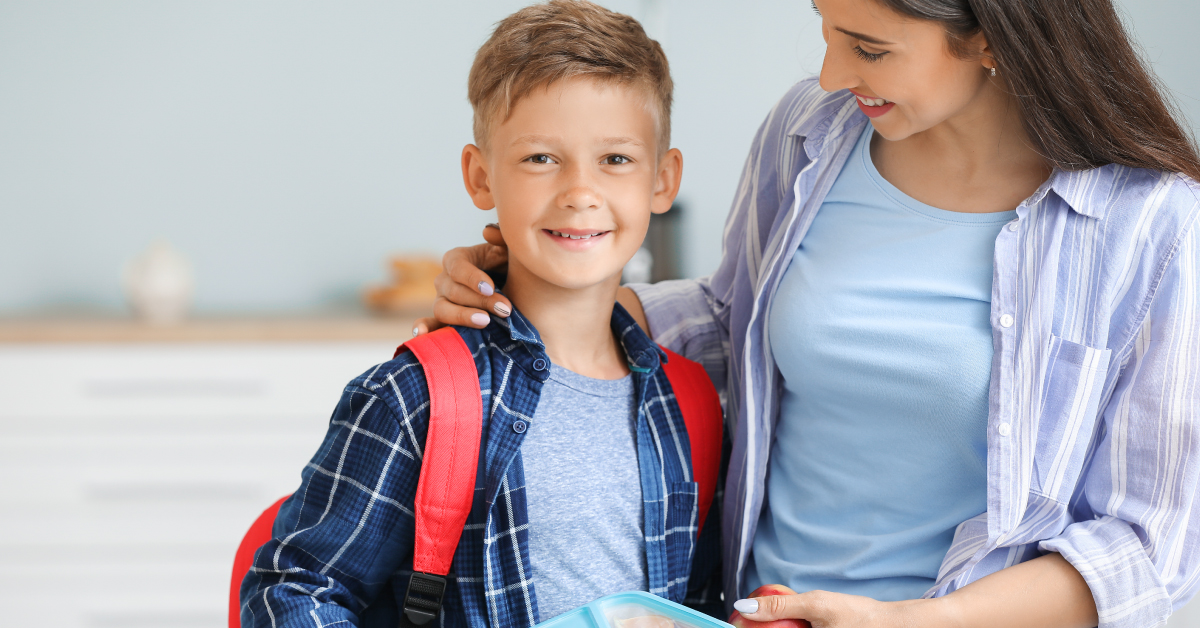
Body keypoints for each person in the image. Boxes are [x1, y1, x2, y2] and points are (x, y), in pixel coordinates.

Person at [421, 0, 1200, 626]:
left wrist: (906, 624)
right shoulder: (813, 136)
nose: (832, 73)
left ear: (993, 35)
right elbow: (733, 321)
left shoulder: (1152, 227)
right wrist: (522, 290)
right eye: (827, 32)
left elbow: (1146, 548)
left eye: (868, 48)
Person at [240, 2, 723, 626]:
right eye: (540, 158)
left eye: (616, 159)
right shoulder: (419, 397)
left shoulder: (690, 403)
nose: (580, 191)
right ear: (480, 176)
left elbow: (696, 601)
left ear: (662, 179)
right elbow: (293, 589)